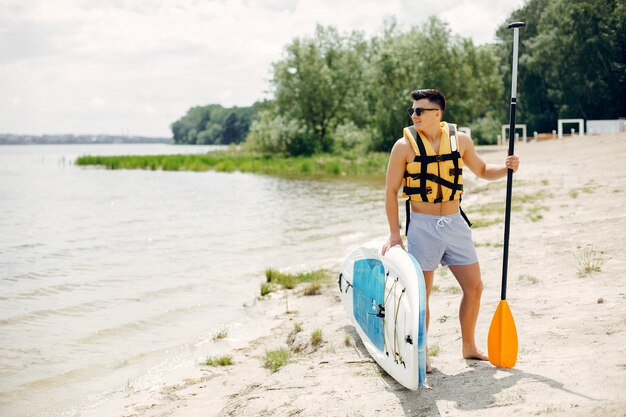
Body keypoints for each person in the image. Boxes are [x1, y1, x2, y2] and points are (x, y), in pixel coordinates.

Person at [381, 89, 519, 373]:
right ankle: (422, 353)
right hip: (422, 227)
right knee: (423, 294)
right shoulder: (402, 147)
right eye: (413, 110)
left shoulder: (461, 141)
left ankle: (468, 346)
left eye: (420, 110)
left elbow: (482, 170)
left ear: (437, 114)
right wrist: (395, 235)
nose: (414, 115)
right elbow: (391, 192)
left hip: (455, 224)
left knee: (475, 287)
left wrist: (505, 168)